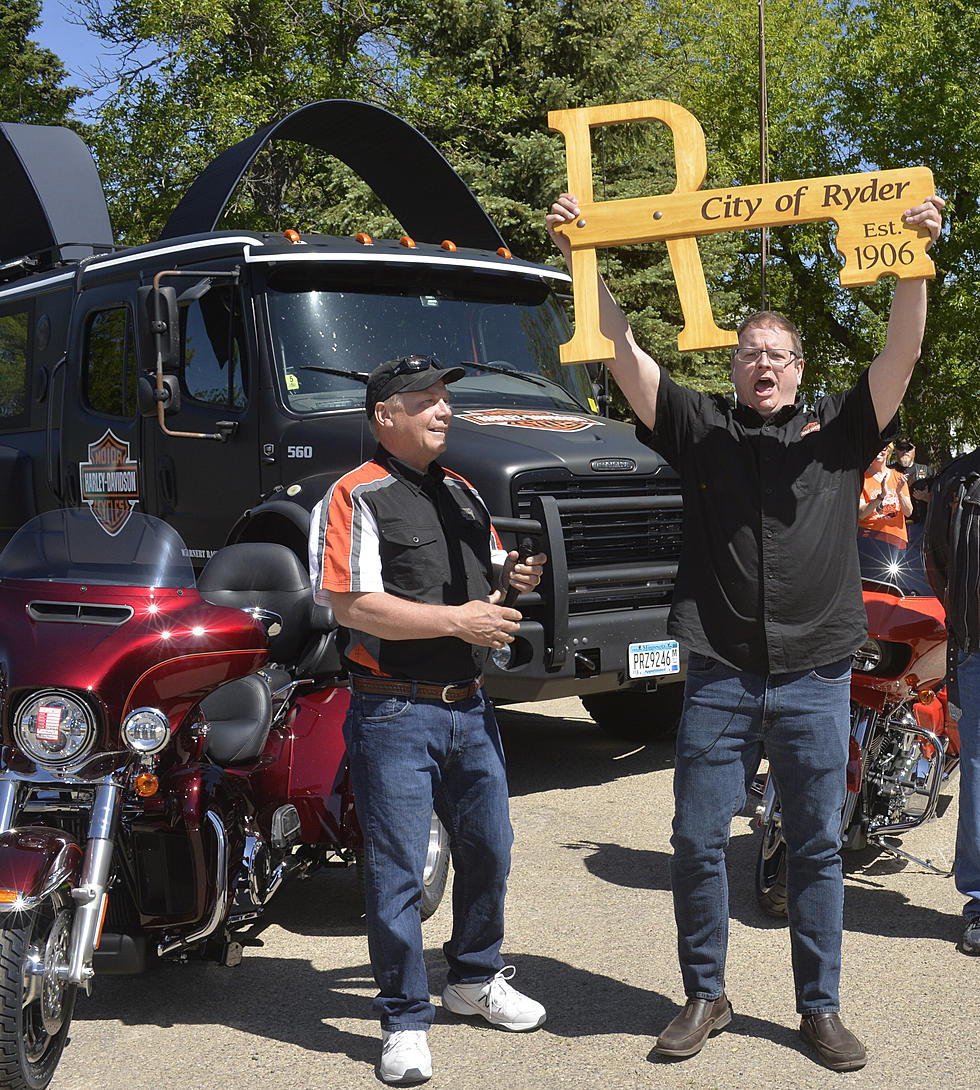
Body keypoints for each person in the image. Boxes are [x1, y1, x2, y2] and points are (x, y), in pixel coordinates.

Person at [546, 191, 944, 1071]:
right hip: (721, 670)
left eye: (778, 355)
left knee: (815, 846)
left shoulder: (839, 430)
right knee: (694, 838)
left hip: (815, 672)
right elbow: (622, 351)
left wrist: (913, 259)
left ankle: (819, 1007)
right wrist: (587, 253)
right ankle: (705, 995)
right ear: (734, 366)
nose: (764, 366)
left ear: (800, 368)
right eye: (750, 354)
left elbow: (903, 350)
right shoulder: (699, 426)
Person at [309, 354, 547, 1085]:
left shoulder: (466, 494)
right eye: (426, 401)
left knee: (492, 850)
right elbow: (352, 607)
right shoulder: (353, 497)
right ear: (386, 416)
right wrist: (457, 619)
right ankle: (405, 1020)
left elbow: (489, 578)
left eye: (445, 399)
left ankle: (473, 979)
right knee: (399, 872)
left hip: (469, 708)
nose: (445, 410)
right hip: (392, 711)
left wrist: (513, 581)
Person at [921, 451, 980, 958]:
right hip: (977, 648)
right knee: (979, 771)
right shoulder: (959, 481)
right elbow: (935, 560)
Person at [858, 442, 913, 553]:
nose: (878, 452)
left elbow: (908, 512)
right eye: (874, 449)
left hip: (897, 542)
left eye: (883, 449)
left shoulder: (898, 478)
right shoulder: (861, 478)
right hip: (869, 542)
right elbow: (861, 514)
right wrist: (881, 497)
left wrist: (899, 493)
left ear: (888, 451)